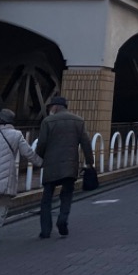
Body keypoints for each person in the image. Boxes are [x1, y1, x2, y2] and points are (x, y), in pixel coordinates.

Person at [0, 108, 43, 244]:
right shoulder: (17, 135)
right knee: (3, 205)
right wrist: (40, 162)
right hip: (7, 174)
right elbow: (27, 153)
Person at [36, 95, 94, 239]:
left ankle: (45, 230)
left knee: (46, 199)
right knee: (67, 195)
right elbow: (86, 143)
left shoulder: (47, 121)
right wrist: (89, 162)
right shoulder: (78, 121)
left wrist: (39, 158)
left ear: (55, 107)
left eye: (50, 107)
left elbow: (42, 143)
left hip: (51, 165)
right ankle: (62, 219)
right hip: (70, 164)